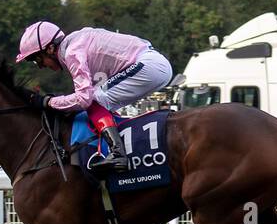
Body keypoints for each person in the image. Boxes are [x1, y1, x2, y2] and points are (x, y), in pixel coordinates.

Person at [15, 21, 173, 176]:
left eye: (37, 59)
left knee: (94, 100)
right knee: (99, 100)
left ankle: (118, 153)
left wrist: (48, 102)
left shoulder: (72, 52)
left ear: (50, 48)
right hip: (152, 64)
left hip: (149, 66)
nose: (41, 66)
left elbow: (84, 99)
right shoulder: (76, 42)